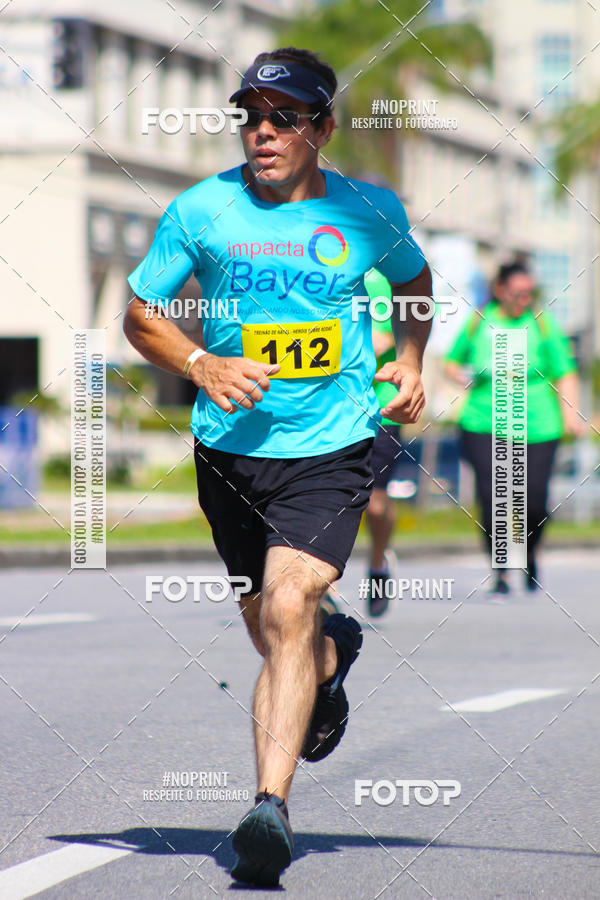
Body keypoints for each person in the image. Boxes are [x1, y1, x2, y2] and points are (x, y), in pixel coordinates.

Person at [124, 46, 432, 886]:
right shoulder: (201, 209)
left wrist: (409, 359)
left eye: (284, 119)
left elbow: (414, 282)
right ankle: (329, 658)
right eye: (252, 118)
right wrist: (202, 365)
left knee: (291, 600)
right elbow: (142, 315)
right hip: (230, 452)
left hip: (333, 444)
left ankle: (270, 808)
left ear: (321, 129)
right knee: (274, 631)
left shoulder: (367, 210)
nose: (262, 132)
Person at [444, 261, 580, 595]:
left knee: (533, 500)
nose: (524, 300)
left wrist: (571, 415)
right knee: (493, 497)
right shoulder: (479, 321)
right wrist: (460, 376)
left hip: (538, 425)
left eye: (529, 293)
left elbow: (565, 371)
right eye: (518, 293)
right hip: (483, 423)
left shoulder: (542, 323)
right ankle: (501, 567)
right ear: (500, 290)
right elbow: (451, 361)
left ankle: (529, 551)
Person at [363, 268, 403, 617]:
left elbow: (382, 341)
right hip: (328, 410)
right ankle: (323, 587)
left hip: (380, 411)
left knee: (374, 504)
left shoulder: (380, 279)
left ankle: (378, 562)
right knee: (328, 501)